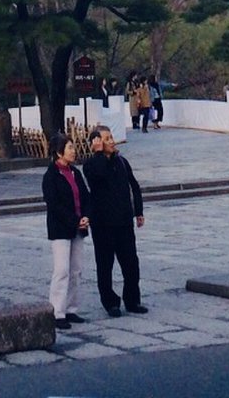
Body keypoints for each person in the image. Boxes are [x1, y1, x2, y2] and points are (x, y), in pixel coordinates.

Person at [82, 125, 147, 317]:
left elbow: (134, 186)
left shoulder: (122, 161)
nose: (111, 141)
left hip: (124, 221)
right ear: (97, 142)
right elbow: (99, 176)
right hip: (103, 224)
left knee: (131, 264)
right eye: (106, 138)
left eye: (111, 137)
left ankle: (132, 300)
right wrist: (100, 154)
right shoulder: (91, 164)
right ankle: (110, 302)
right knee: (105, 265)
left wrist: (138, 211)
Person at [41, 133, 90, 330]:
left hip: (79, 227)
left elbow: (86, 197)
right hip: (61, 228)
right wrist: (75, 220)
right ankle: (57, 311)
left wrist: (86, 216)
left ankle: (71, 308)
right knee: (61, 270)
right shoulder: (51, 176)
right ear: (59, 152)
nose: (73, 151)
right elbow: (54, 205)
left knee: (76, 270)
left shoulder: (75, 173)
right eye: (69, 147)